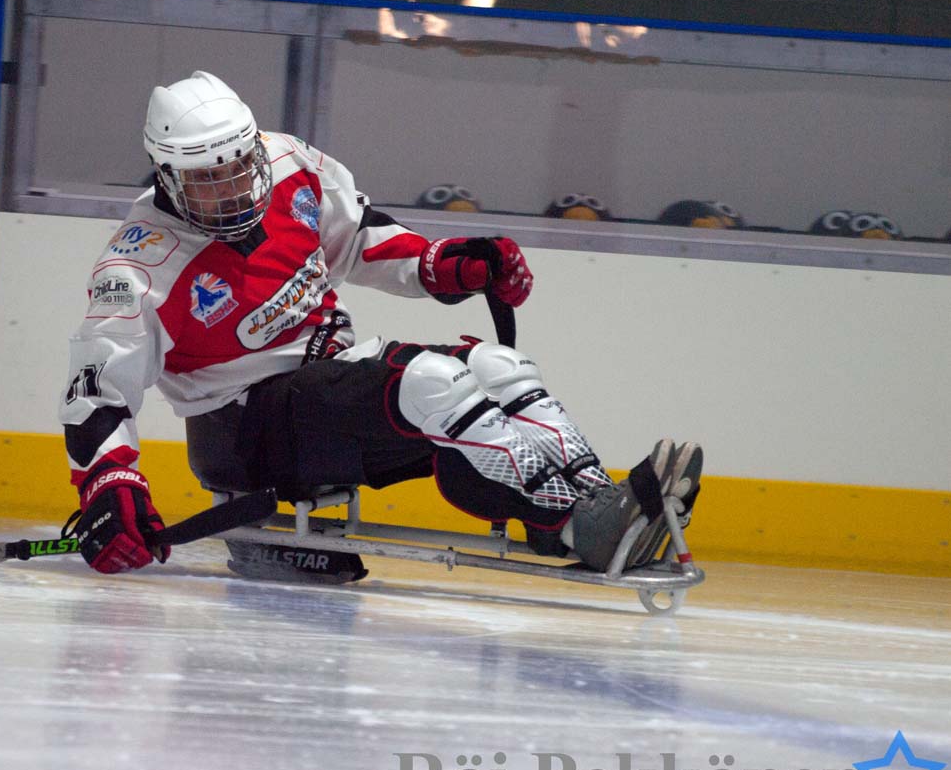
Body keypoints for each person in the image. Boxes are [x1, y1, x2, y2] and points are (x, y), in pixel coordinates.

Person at [59, 71, 702, 580]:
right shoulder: (137, 266)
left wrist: (442, 266)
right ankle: (578, 525)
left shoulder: (290, 167)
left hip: (327, 381)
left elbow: (359, 236)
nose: (232, 192)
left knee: (495, 369)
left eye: (238, 168)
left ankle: (602, 507)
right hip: (245, 424)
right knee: (430, 382)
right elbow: (98, 394)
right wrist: (110, 485)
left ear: (255, 148)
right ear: (166, 176)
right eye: (207, 182)